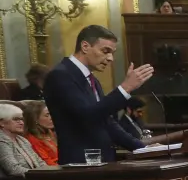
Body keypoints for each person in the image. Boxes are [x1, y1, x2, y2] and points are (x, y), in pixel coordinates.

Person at [43, 25, 149, 165]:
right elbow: (87, 116)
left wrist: (144, 149)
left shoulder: (92, 79)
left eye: (112, 53)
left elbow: (107, 122)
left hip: (101, 162)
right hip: (79, 165)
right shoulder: (60, 75)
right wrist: (126, 88)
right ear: (85, 46)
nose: (110, 58)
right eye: (105, 51)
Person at [22, 102, 58, 166]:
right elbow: (46, 162)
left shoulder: (49, 132)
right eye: (47, 115)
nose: (51, 118)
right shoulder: (32, 139)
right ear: (35, 119)